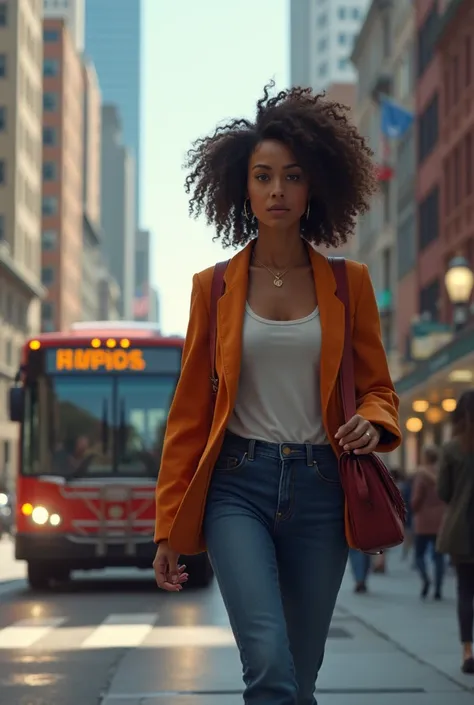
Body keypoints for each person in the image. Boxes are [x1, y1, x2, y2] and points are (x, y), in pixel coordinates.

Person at [152, 82, 402, 705]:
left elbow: (378, 388)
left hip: (325, 488)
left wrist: (372, 421)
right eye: (263, 177)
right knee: (268, 665)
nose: (276, 191)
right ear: (244, 187)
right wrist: (166, 529)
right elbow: (189, 414)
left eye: (291, 177)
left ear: (313, 185)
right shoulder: (212, 288)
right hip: (239, 485)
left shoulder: (352, 283)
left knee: (301, 674)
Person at [437, 390, 474, 675]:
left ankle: (467, 651)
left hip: (462, 530)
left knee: (464, 590)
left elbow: (444, 493)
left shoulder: (451, 449)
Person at [411, 446, 445, 600]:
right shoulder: (443, 473)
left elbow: (417, 498)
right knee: (439, 557)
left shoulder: (422, 474)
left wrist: (414, 507)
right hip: (441, 520)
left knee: (419, 555)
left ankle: (425, 579)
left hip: (423, 521)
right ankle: (438, 589)